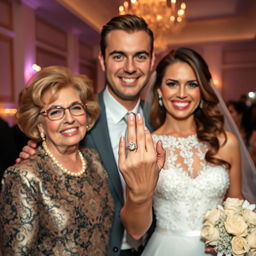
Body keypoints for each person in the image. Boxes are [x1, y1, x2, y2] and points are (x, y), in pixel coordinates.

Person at [16, 14, 158, 256]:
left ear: (153, 60)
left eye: (140, 56)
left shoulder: (161, 119)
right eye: (118, 56)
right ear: (102, 60)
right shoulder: (76, 120)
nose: (130, 68)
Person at [119, 48, 244, 256]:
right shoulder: (147, 147)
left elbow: (236, 203)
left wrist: (231, 238)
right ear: (159, 90)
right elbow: (134, 229)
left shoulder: (226, 143)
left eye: (192, 84)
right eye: (172, 84)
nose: (182, 93)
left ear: (202, 90)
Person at [0, 66, 114, 255]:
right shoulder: (23, 177)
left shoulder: (93, 160)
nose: (69, 118)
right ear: (39, 124)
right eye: (55, 111)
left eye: (76, 107)